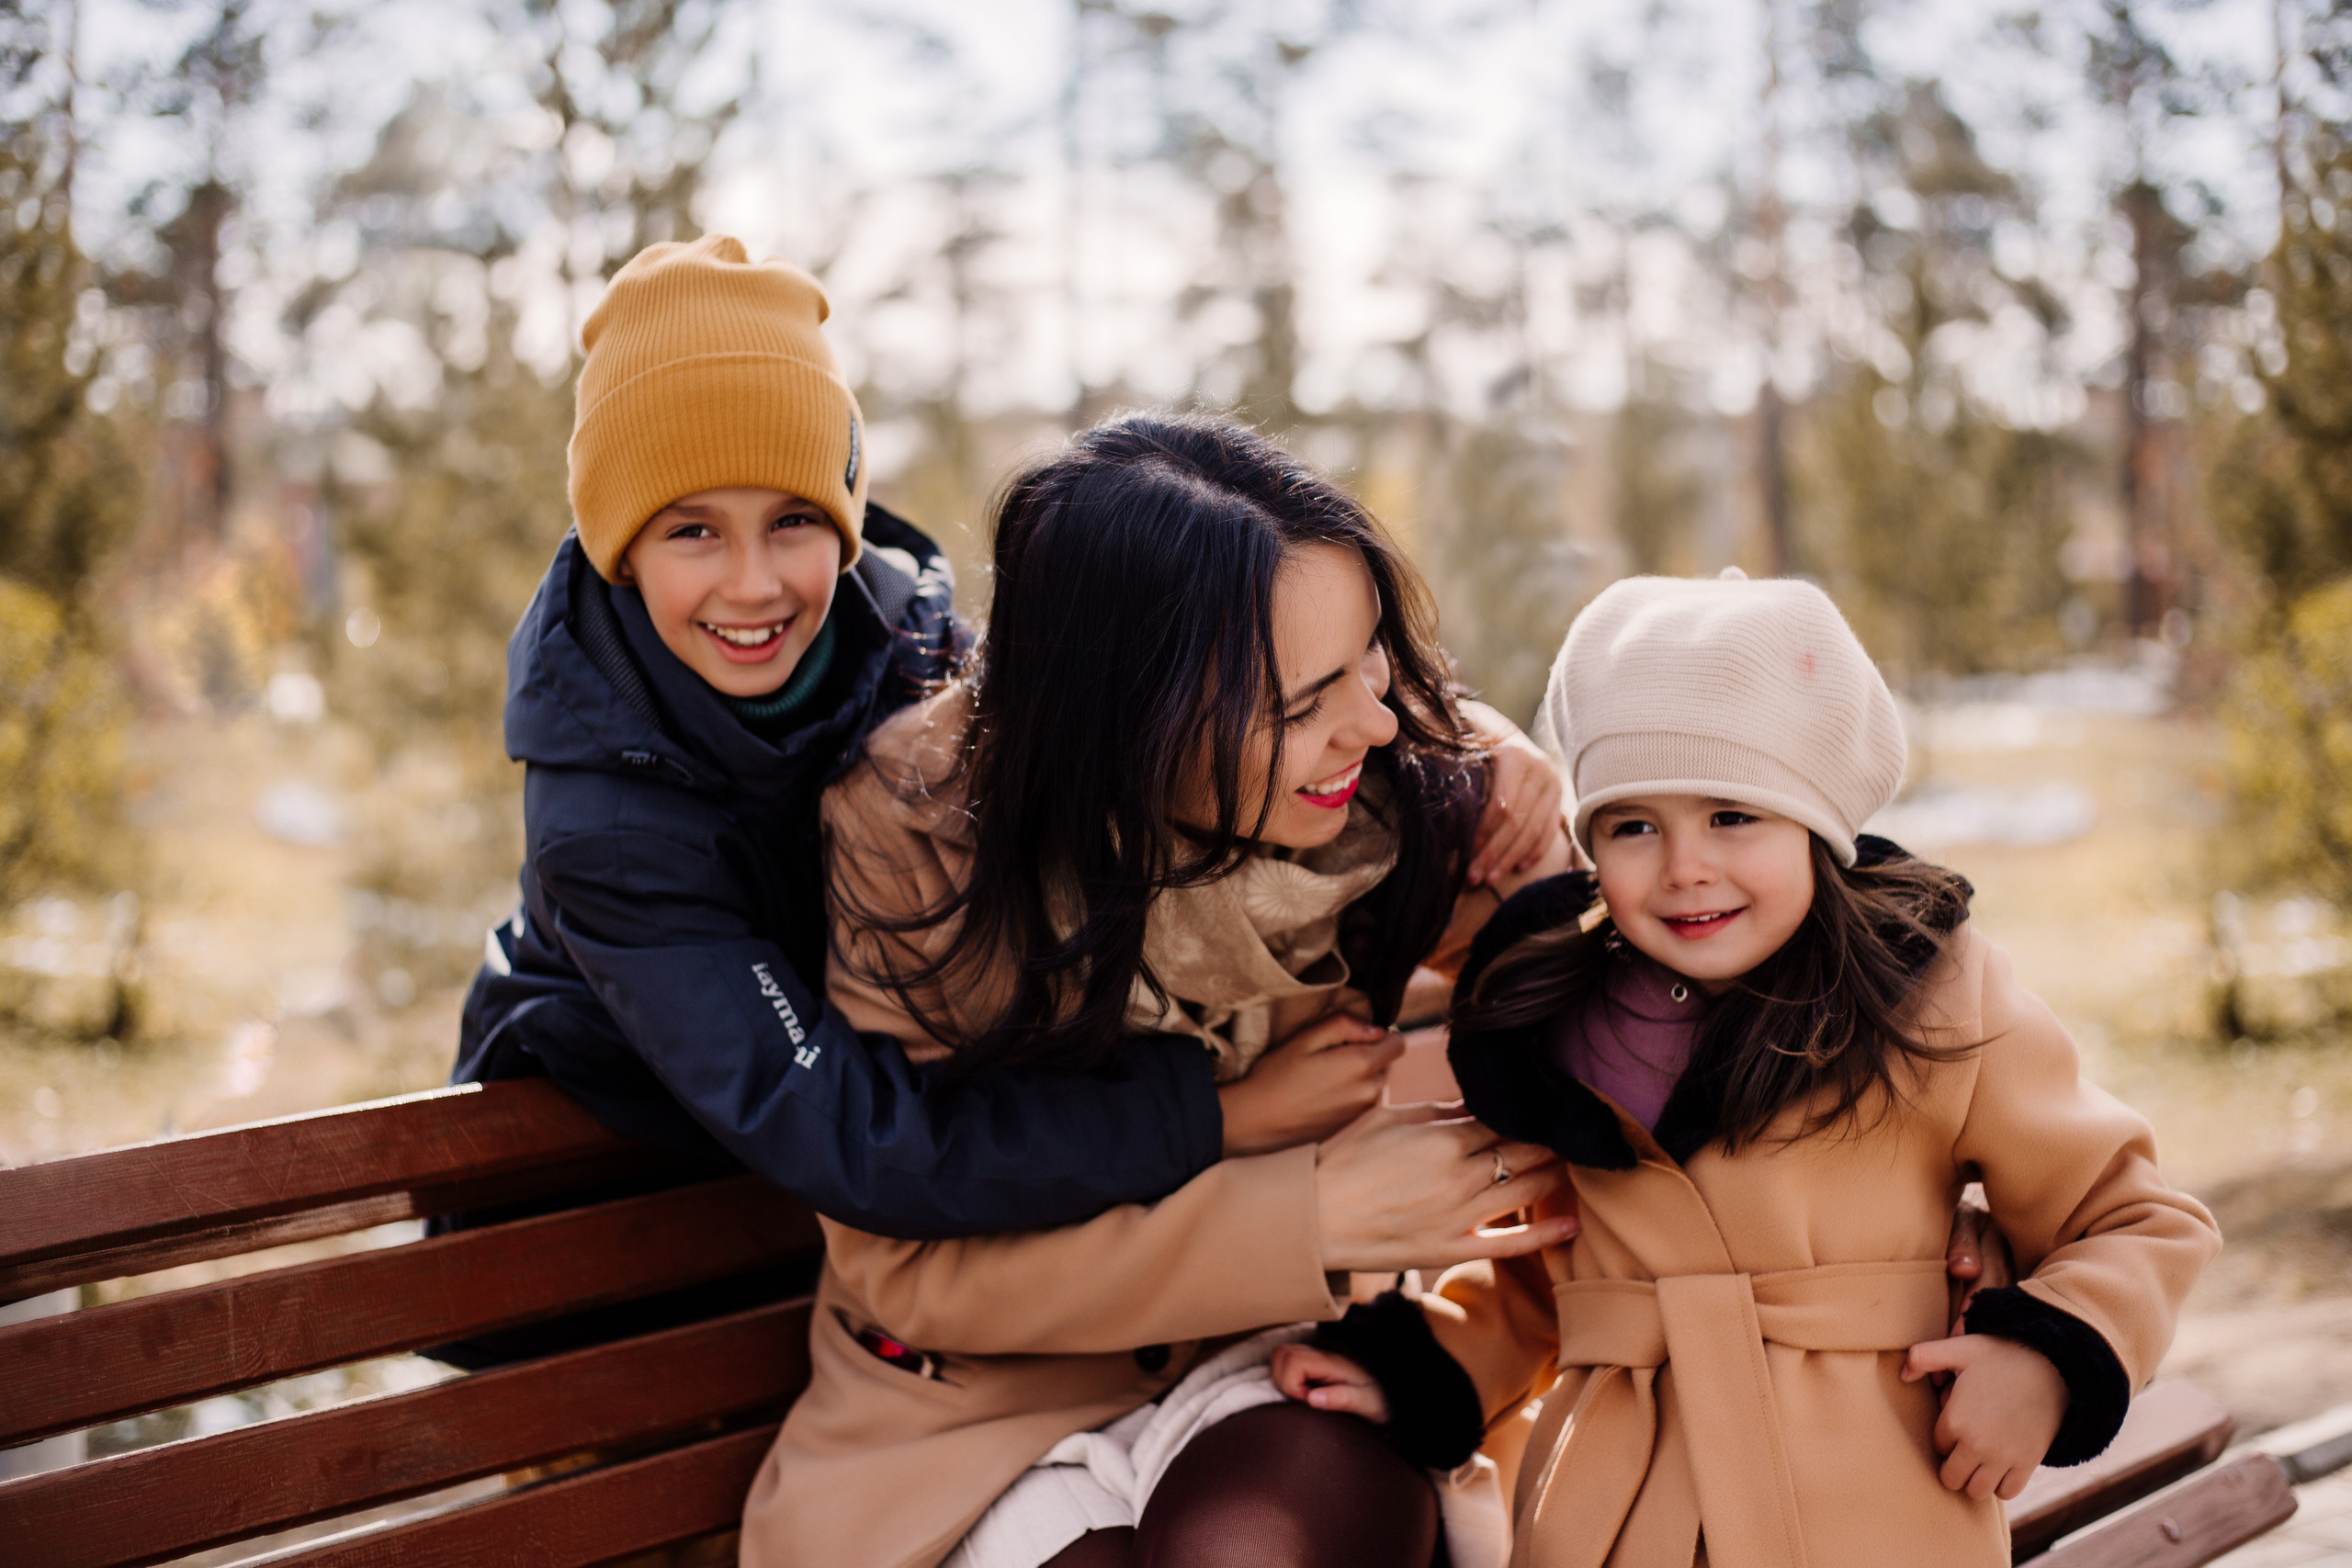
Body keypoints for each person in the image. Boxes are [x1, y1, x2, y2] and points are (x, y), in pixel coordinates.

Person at [439, 240, 1473, 1363]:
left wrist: (1475, 762)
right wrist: (1213, 1116)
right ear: (619, 549)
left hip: (833, 1198)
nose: (752, 582)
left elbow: (1123, 717)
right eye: (691, 529)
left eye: (792, 519)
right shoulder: (611, 831)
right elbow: (848, 1127)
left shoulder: (904, 638)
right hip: (610, 1232)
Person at [739, 412, 1583, 1568]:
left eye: (1371, 660)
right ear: (1129, 720)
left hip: (1280, 1365)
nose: (1376, 725)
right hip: (964, 1417)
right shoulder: (912, 833)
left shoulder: (1409, 806)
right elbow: (908, 1266)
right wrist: (1313, 1214)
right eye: (1302, 703)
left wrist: (1463, 1354)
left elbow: (1619, 1101)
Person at [1267, 571, 2222, 1568]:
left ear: (1815, 823)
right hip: (1615, 1521)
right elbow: (1543, 1288)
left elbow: (2130, 1218)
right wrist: (1425, 1368)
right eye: (1632, 825)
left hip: (1871, 1510)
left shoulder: (1929, 1003)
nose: (1684, 866)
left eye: (1732, 815)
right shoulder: (1563, 1025)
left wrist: (2045, 1356)